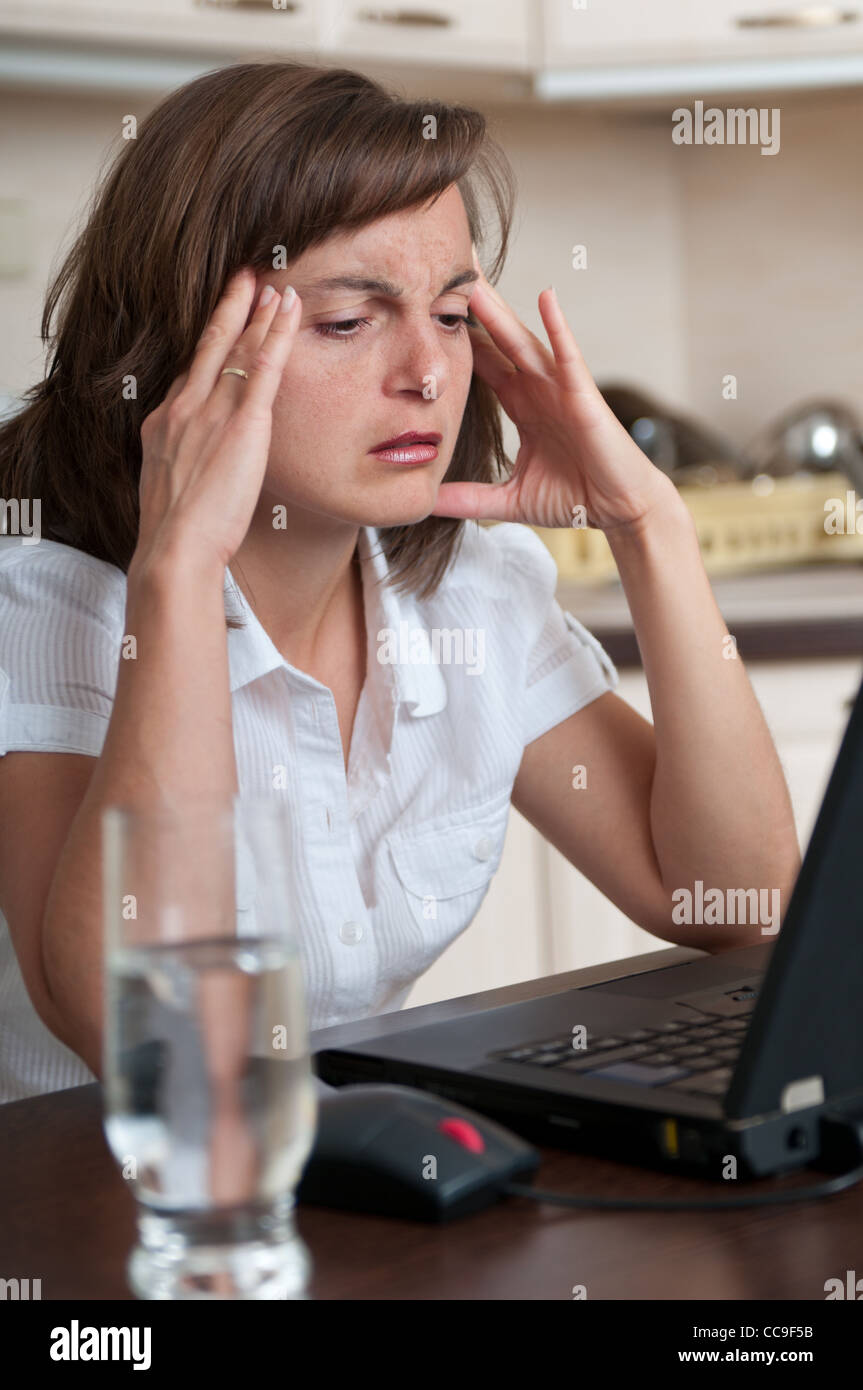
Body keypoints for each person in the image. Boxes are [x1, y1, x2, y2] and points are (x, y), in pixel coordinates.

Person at [0, 62, 800, 1105]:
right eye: (349, 320)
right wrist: (180, 570)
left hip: (356, 1201)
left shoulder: (469, 595)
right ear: (187, 346)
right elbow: (147, 1044)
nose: (426, 370)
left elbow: (729, 901)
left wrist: (647, 524)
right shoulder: (45, 613)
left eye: (454, 315)